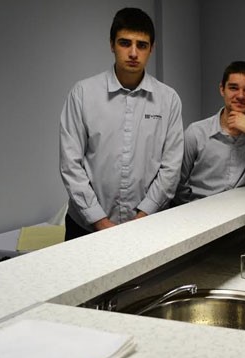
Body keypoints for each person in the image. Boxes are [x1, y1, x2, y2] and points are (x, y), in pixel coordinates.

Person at [60, 8, 184, 240]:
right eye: (125, 43)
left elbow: (171, 167)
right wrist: (100, 221)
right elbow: (71, 164)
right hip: (85, 228)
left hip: (148, 225)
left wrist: (143, 216)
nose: (133, 53)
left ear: (151, 49)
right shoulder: (83, 94)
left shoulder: (168, 100)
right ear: (112, 45)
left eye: (142, 45)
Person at [173, 61, 245, 205]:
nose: (240, 96)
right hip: (201, 211)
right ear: (222, 89)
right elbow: (177, 183)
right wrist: (192, 209)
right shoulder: (196, 132)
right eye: (233, 88)